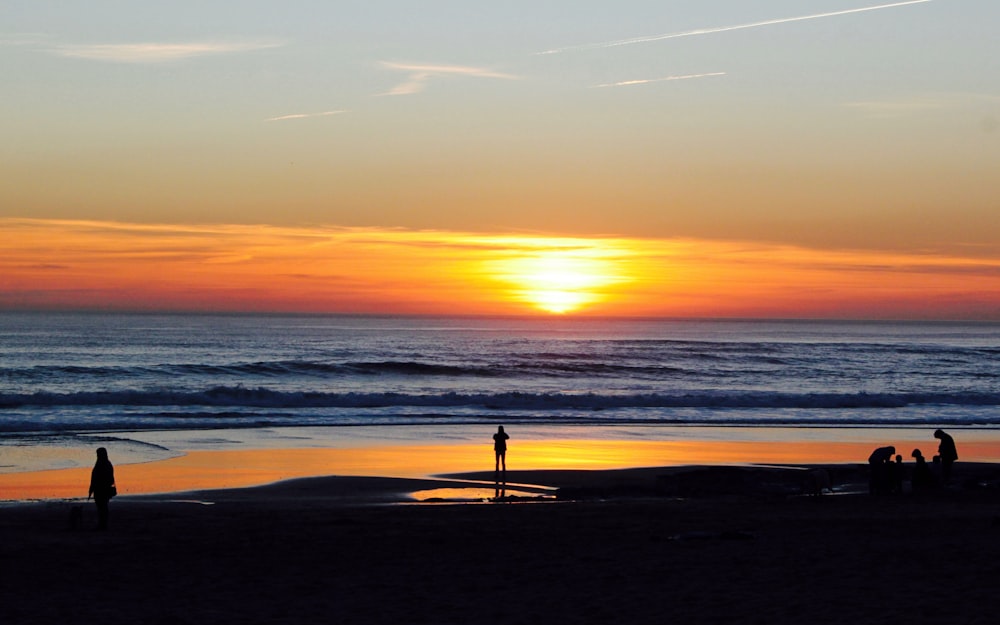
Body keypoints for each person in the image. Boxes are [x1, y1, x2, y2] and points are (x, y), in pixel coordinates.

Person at [88, 447, 116, 530]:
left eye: (98, 454)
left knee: (102, 507)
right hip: (103, 489)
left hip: (101, 489)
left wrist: (91, 489)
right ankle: (103, 524)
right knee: (103, 507)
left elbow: (95, 478)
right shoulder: (107, 463)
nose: (97, 455)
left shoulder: (101, 464)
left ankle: (102, 525)